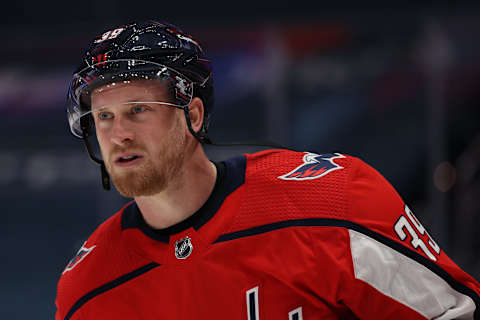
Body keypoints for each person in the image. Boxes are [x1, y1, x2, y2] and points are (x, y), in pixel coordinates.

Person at [56, 20, 480, 320]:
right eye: (104, 117)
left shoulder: (330, 201)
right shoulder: (87, 288)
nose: (119, 134)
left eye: (138, 110)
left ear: (194, 115)